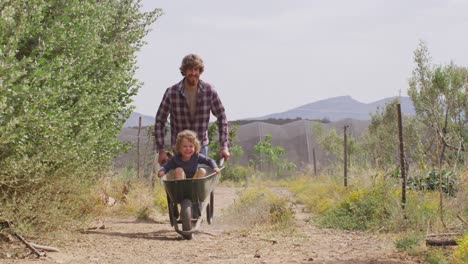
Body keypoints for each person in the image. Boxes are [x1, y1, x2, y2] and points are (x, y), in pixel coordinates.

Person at [154, 54, 230, 165]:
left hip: (200, 147)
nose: (193, 73)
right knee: (180, 179)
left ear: (200, 71)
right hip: (179, 149)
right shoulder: (172, 92)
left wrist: (224, 146)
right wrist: (161, 150)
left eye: (196, 70)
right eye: (190, 69)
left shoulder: (209, 91)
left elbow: (222, 118)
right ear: (184, 71)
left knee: (199, 178)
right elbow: (160, 121)